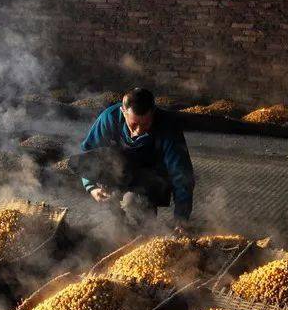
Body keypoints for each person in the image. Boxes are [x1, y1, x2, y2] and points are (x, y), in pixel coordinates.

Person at [72, 88, 195, 228]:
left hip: (150, 178)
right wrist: (91, 187)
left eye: (145, 124)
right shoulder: (109, 118)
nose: (138, 131)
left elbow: (182, 175)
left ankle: (144, 230)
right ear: (123, 112)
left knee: (135, 203)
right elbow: (88, 155)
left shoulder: (168, 127)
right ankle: (119, 227)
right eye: (134, 124)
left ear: (153, 113)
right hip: (118, 172)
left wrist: (181, 218)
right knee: (109, 211)